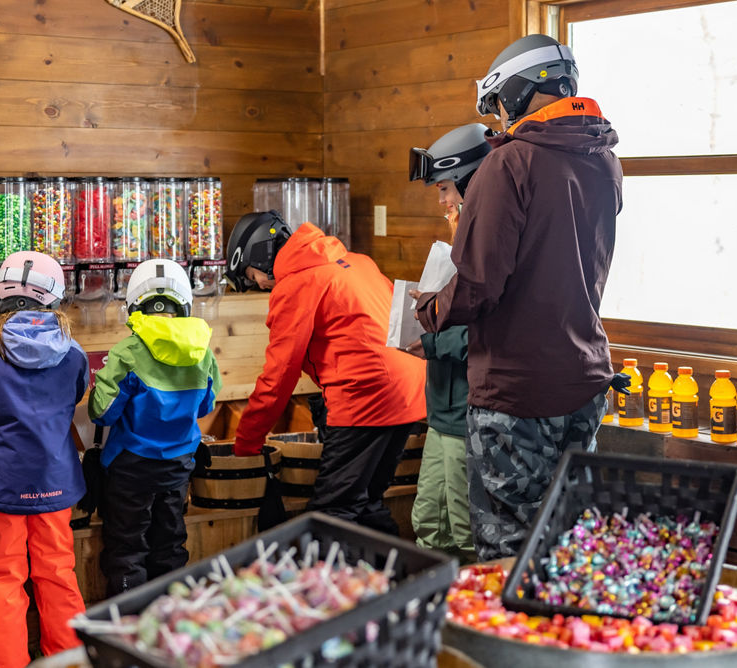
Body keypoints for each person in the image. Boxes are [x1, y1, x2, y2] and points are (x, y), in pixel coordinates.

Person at [415, 34, 624, 561]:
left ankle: (511, 644)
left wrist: (431, 310)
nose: (502, 119)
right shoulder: (604, 161)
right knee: (568, 540)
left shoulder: (509, 164)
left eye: (501, 104)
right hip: (584, 378)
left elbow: (479, 282)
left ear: (519, 90)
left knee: (507, 548)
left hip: (517, 391)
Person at [226, 213, 427, 536]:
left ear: (260, 256)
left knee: (331, 514)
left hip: (367, 398)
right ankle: (397, 580)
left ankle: (332, 586)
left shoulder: (296, 284)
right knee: (367, 503)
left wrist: (246, 443)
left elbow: (279, 375)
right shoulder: (358, 262)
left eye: (253, 276)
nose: (260, 285)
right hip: (411, 391)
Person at [0, 251, 88, 668]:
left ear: (0, 298)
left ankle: (3, 662)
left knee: (2, 576)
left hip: (3, 481)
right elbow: (77, 395)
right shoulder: (73, 351)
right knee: (58, 571)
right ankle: (67, 660)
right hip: (56, 479)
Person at [88, 259, 221, 596]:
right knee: (171, 545)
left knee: (128, 549)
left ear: (135, 304)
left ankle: (129, 626)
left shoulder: (127, 352)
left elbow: (101, 412)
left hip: (130, 468)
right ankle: (170, 623)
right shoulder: (203, 352)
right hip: (178, 467)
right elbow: (205, 406)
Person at [405, 123, 490, 563]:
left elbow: (483, 326)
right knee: (430, 522)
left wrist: (433, 339)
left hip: (465, 414)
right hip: (440, 411)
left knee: (463, 528)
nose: (442, 202)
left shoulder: (488, 239)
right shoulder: (461, 238)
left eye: (444, 189)